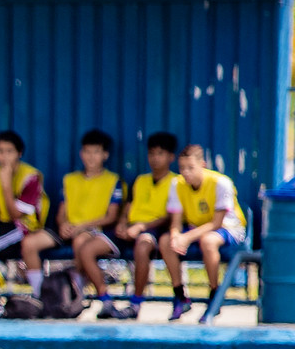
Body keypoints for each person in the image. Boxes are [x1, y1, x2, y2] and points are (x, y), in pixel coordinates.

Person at [26, 128, 120, 311]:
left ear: (105, 155)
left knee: (81, 241)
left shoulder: (113, 180)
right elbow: (62, 211)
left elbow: (111, 216)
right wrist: (63, 225)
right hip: (68, 228)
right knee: (29, 243)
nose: (91, 157)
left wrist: (81, 226)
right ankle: (39, 295)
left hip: (93, 231)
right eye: (87, 152)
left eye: (96, 152)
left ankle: (76, 296)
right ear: (81, 153)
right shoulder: (70, 179)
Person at [91, 131, 180, 319]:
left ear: (171, 157)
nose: (155, 159)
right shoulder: (140, 181)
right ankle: (106, 301)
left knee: (143, 245)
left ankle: (136, 303)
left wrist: (141, 227)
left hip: (154, 231)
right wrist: (122, 224)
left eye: (160, 154)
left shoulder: (176, 183)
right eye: (152, 154)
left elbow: (170, 217)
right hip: (130, 228)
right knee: (86, 249)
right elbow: (127, 209)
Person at [160, 142, 248, 321]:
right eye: (182, 168)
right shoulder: (177, 184)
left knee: (208, 241)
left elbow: (216, 223)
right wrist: (176, 236)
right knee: (165, 241)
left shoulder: (221, 183)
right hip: (195, 229)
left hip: (229, 229)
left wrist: (186, 238)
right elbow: (176, 221)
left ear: (203, 165)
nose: (186, 172)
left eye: (190, 167)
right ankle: (180, 296)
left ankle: (214, 295)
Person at [0, 130, 48, 272]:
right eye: (0, 151)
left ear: (19, 153)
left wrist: (6, 185)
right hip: (0, 224)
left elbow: (15, 214)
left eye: (10, 151)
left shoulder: (31, 177)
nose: (5, 157)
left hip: (24, 227)